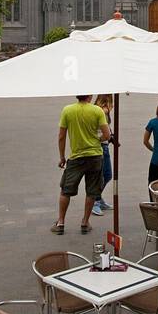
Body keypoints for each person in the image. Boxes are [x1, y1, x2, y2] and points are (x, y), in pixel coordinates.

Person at [53, 94, 111, 235]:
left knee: (66, 190)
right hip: (95, 156)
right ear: (90, 96)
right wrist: (97, 139)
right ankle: (85, 222)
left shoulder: (68, 110)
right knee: (91, 191)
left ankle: (60, 222)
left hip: (76, 157)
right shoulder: (97, 111)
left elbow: (61, 136)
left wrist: (62, 157)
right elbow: (107, 135)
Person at [91, 94, 115, 215]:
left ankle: (98, 199)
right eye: (111, 103)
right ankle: (95, 201)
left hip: (103, 145)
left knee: (103, 175)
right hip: (101, 146)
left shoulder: (98, 111)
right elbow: (102, 132)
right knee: (106, 175)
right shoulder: (102, 112)